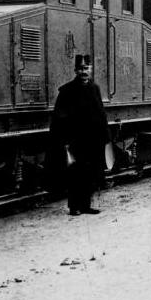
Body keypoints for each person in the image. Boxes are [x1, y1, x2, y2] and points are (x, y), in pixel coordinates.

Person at [50, 54, 110, 215]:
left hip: (93, 139)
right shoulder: (67, 90)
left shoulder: (94, 88)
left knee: (90, 173)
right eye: (81, 69)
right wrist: (65, 141)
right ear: (76, 70)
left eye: (86, 68)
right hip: (75, 140)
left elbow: (101, 113)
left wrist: (106, 136)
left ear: (90, 70)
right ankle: (74, 206)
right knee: (75, 174)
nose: (84, 72)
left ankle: (86, 205)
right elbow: (59, 117)